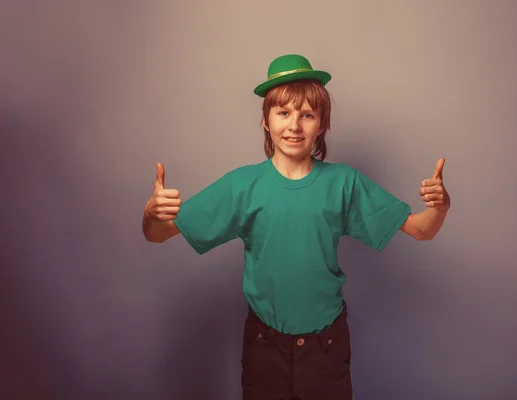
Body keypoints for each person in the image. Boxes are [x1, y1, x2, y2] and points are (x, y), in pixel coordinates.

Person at [142, 54, 450, 400]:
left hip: (326, 346)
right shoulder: (242, 186)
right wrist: (152, 215)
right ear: (265, 119)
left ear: (321, 124)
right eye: (283, 113)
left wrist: (439, 208)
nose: (294, 126)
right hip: (264, 344)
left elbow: (422, 229)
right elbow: (158, 235)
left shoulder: (343, 183)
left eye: (307, 115)